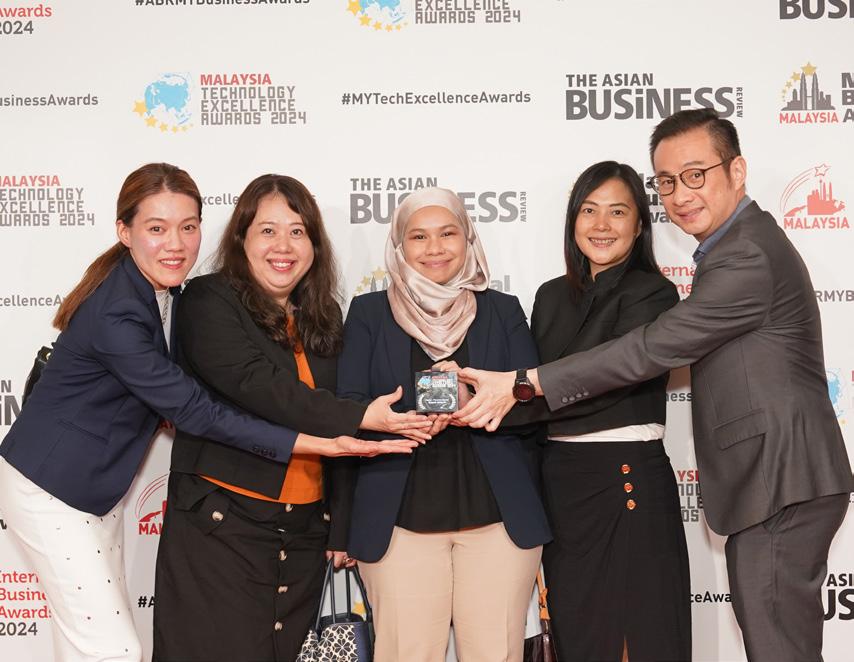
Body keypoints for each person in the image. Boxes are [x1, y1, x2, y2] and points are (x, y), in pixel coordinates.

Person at [455, 109, 854, 661]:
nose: (681, 194)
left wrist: (524, 383)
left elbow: (648, 350)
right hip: (772, 479)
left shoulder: (745, 255)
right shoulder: (728, 249)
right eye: (667, 181)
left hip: (779, 475)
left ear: (737, 171)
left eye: (695, 175)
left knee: (776, 646)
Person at [0, 163, 416, 662]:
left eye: (188, 227)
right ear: (124, 231)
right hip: (50, 487)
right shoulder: (122, 310)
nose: (175, 244)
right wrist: (321, 440)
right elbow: (199, 410)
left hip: (94, 488)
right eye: (157, 228)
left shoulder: (161, 292)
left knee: (82, 642)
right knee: (113, 650)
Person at [152, 174, 431, 662]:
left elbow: (337, 434)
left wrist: (340, 527)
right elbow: (261, 387)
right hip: (221, 527)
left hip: (303, 534)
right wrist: (362, 415)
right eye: (268, 230)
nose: (283, 246)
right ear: (241, 238)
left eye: (298, 232)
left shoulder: (324, 317)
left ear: (315, 246)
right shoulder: (207, 299)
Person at [337, 186, 551, 662]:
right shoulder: (369, 313)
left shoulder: (502, 309)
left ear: (467, 238)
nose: (434, 248)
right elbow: (346, 409)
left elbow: (535, 405)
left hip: (498, 522)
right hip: (397, 523)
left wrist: (481, 402)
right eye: (418, 236)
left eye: (448, 233)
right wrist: (401, 421)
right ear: (400, 245)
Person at [501, 161, 689, 661]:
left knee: (636, 637)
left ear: (640, 224)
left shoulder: (654, 293)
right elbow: (533, 398)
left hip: (624, 478)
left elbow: (605, 380)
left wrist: (513, 395)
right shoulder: (549, 296)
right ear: (573, 220)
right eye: (589, 210)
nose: (602, 225)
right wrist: (478, 403)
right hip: (560, 484)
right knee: (577, 637)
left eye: (618, 212)